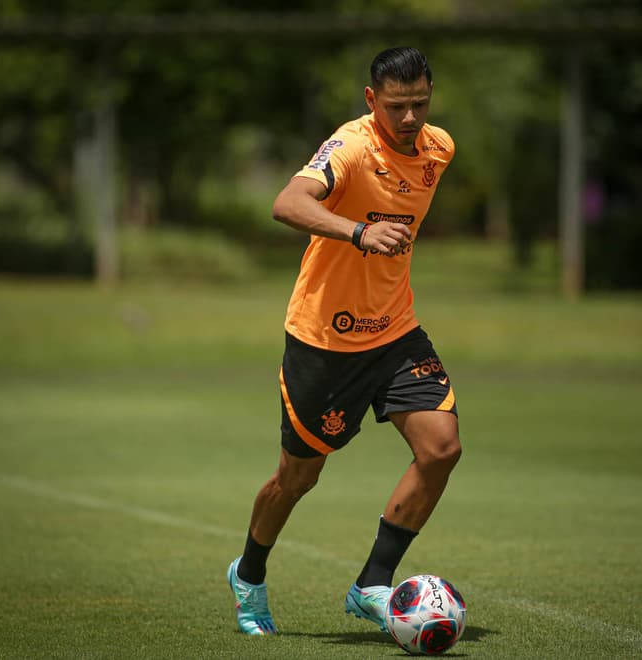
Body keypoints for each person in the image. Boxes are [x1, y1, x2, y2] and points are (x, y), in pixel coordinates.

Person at [227, 46, 461, 636]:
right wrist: (359, 231)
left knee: (441, 449)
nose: (408, 118)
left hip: (396, 332)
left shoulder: (441, 148)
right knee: (297, 479)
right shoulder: (353, 146)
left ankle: (372, 585)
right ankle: (248, 575)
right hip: (324, 341)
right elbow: (287, 203)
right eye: (395, 106)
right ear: (370, 101)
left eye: (419, 104)